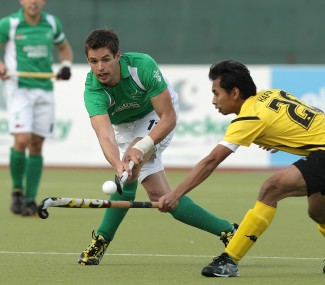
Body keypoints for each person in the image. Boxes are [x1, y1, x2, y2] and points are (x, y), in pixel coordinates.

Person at [158, 60, 325, 277]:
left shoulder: (249, 117)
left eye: (216, 93)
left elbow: (211, 161)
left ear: (235, 93)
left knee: (271, 188)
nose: (213, 101)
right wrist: (283, 136)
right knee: (319, 213)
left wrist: (176, 194)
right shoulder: (271, 94)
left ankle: (229, 260)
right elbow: (316, 111)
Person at [79, 28, 237, 265]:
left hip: (158, 115)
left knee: (133, 160)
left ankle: (101, 239)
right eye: (93, 61)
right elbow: (105, 135)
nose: (100, 67)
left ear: (117, 56)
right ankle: (229, 231)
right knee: (161, 196)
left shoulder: (141, 66)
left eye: (105, 60)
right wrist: (117, 162)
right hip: (123, 127)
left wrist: (141, 147)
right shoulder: (93, 89)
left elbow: (168, 117)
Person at [0, 0, 73, 216]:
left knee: (37, 144)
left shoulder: (51, 23)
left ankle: (30, 200)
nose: (33, 2)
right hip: (19, 88)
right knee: (21, 139)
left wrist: (66, 66)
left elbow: (64, 49)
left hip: (45, 89)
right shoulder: (9, 24)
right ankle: (16, 191)